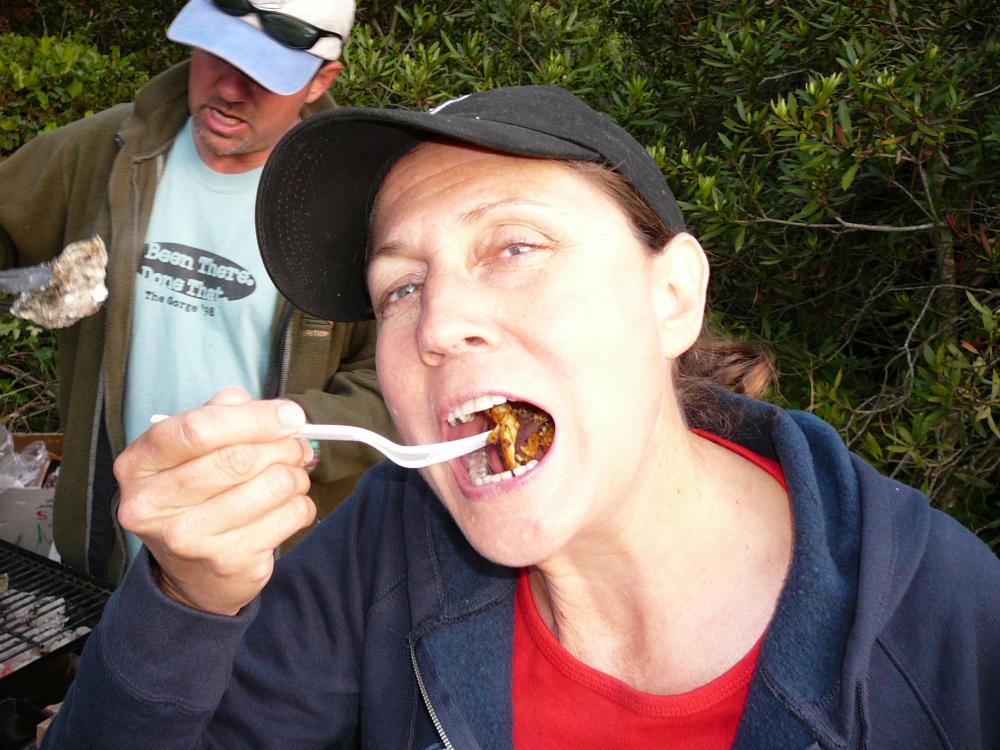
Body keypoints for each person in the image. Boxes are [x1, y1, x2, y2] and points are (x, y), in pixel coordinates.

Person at [42, 86, 1000, 749]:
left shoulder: (948, 630)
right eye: (400, 287)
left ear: (673, 296)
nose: (438, 324)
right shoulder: (385, 546)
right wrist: (188, 597)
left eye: (513, 247)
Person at [0, 0, 396, 583]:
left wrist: (294, 439)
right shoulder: (103, 155)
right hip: (108, 554)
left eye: (263, 73)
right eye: (216, 53)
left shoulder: (356, 205)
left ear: (319, 81)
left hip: (272, 566)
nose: (229, 89)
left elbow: (398, 385)